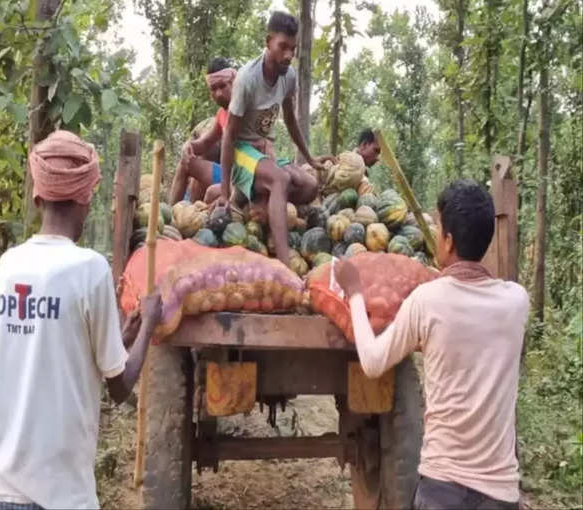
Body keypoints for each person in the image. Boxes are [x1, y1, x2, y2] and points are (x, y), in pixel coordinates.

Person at [0, 130, 161, 510]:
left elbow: (57, 349)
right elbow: (119, 387)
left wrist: (121, 338)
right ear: (85, 197)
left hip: (0, 490)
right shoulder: (90, 269)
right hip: (61, 495)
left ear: (37, 195)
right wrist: (148, 325)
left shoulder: (9, 265)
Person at [335, 179, 528, 510]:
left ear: (449, 242)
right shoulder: (517, 301)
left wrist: (354, 292)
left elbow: (372, 361)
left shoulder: (427, 301)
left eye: (438, 228)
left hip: (443, 489)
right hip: (501, 494)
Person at [218, 11, 332, 267]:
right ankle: (284, 264)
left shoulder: (288, 77)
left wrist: (310, 158)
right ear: (268, 41)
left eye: (293, 49)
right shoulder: (247, 80)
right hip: (241, 152)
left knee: (310, 186)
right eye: (283, 47)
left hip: (263, 153)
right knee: (280, 179)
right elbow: (228, 138)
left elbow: (290, 120)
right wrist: (224, 192)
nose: (288, 55)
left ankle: (262, 201)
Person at [169, 57, 236, 205]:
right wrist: (189, 146)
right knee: (186, 161)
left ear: (233, 83)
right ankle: (171, 214)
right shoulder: (221, 114)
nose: (218, 94)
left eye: (222, 86)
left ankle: (178, 214)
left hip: (242, 179)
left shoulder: (241, 110)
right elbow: (205, 142)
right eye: (213, 89)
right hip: (228, 176)